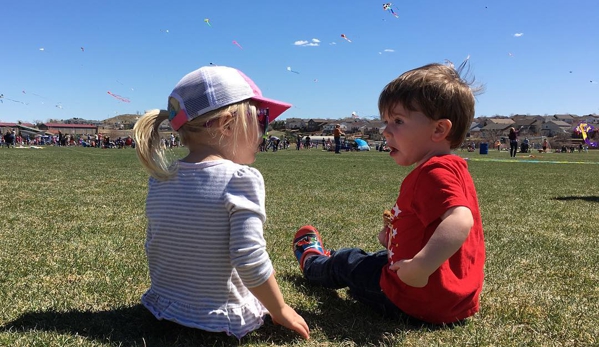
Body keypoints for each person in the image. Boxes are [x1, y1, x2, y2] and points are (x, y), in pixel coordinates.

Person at [292, 63, 485, 325]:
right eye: (386, 121)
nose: (385, 130)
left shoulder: (434, 172)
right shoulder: (454, 168)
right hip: (453, 300)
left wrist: (420, 267)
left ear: (438, 130)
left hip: (414, 297)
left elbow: (460, 220)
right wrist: (395, 238)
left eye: (398, 121)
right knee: (375, 259)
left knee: (347, 261)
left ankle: (312, 262)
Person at [133, 65, 309, 340]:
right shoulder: (240, 178)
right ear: (227, 125)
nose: (264, 131)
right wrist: (280, 309)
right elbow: (248, 257)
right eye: (261, 119)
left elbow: (155, 244)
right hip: (218, 315)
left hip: (165, 307)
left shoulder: (161, 178)